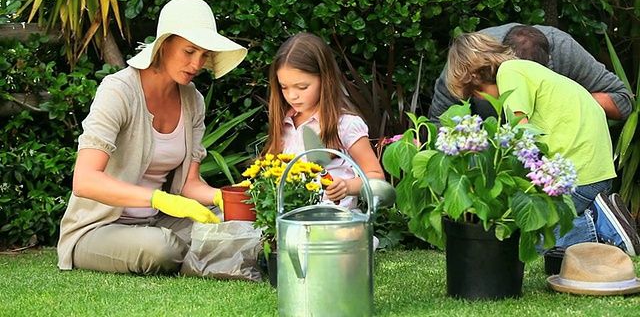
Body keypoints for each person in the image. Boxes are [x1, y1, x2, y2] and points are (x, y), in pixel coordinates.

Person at [56, 0, 248, 274]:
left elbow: (188, 186)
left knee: (236, 225)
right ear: (164, 44)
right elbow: (84, 181)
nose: (197, 64)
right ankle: (199, 255)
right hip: (100, 227)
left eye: (204, 55)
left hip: (160, 223)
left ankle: (202, 252)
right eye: (189, 51)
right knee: (162, 249)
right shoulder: (119, 91)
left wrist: (224, 198)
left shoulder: (193, 100)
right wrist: (157, 198)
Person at [444, 32, 640, 255]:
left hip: (576, 177)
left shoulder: (509, 74)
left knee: (531, 237)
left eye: (473, 94)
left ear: (476, 77)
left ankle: (599, 226)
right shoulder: (528, 71)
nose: (479, 100)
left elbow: (522, 133)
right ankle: (597, 215)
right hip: (592, 171)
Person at [261, 32, 385, 211]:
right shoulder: (285, 122)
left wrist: (348, 186)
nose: (292, 95)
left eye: (302, 87)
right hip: (292, 223)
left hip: (336, 225)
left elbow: (376, 177)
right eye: (284, 87)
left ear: (325, 80)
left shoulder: (345, 124)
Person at [430, 23, 632, 122]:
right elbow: (437, 127)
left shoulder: (562, 49)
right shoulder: (466, 65)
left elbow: (622, 101)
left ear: (549, 63)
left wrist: (560, 101)